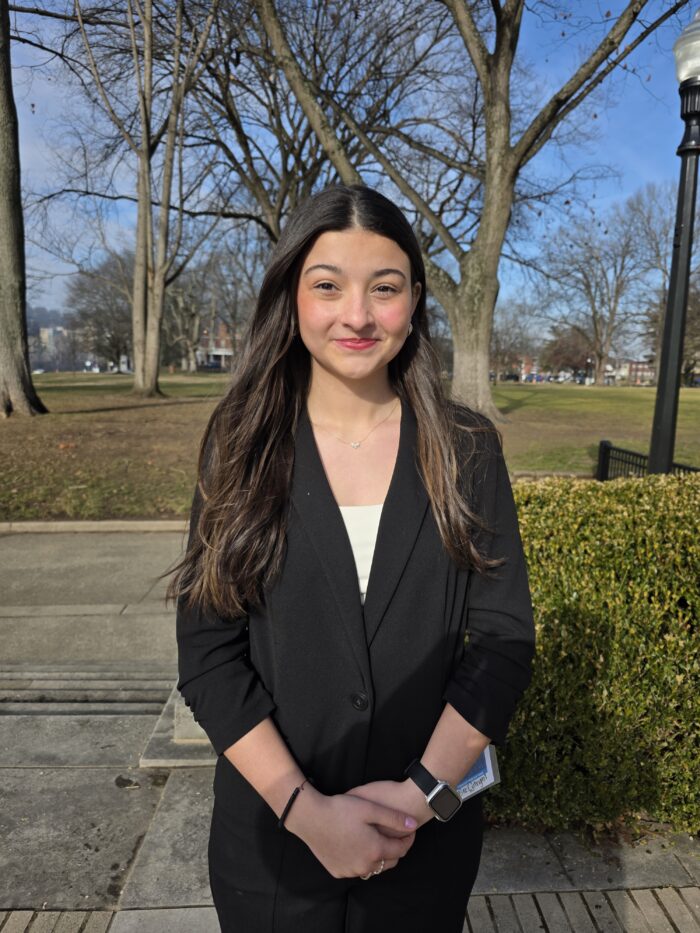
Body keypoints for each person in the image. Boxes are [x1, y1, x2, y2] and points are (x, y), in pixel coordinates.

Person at [168, 184, 535, 933]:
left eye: (385, 288)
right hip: (272, 849)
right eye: (328, 285)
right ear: (291, 296)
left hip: (422, 851)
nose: (358, 315)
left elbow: (502, 642)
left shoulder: (467, 451)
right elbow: (209, 655)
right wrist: (306, 811)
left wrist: (421, 796)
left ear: (416, 301)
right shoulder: (240, 443)